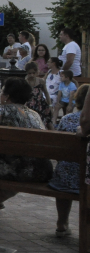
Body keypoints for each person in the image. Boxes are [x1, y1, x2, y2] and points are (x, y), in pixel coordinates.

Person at [0, 78, 53, 213]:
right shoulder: (35, 115)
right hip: (41, 172)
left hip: (16, 171)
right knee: (18, 163)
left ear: (7, 97)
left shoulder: (4, 110)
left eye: (1, 92)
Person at [48, 84, 89, 237]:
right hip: (85, 179)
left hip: (65, 179)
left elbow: (58, 151)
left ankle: (62, 222)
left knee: (65, 168)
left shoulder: (67, 119)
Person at [25, 64, 53, 129]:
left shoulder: (41, 81)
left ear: (36, 72)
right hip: (29, 104)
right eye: (29, 73)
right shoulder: (25, 82)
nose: (32, 75)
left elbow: (46, 93)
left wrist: (50, 105)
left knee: (46, 120)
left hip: (40, 104)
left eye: (33, 73)